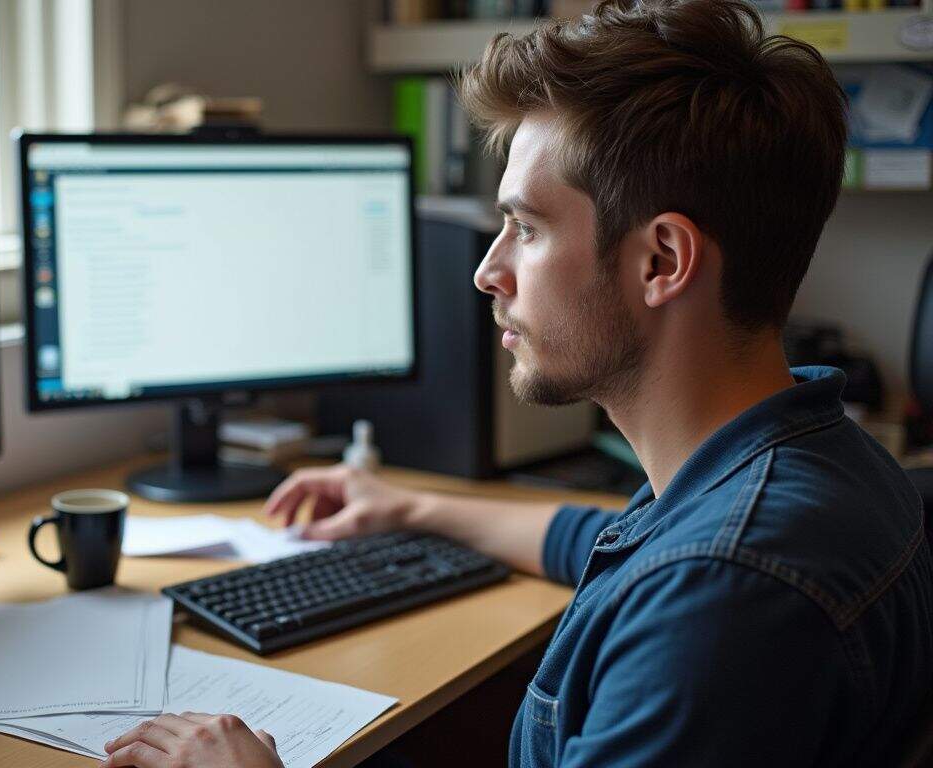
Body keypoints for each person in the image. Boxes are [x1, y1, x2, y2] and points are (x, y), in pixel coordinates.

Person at [99, 0, 933, 765]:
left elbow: (683, 576)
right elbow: (607, 542)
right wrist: (409, 507)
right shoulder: (811, 460)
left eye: (526, 228)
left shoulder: (724, 596)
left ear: (662, 261)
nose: (488, 271)